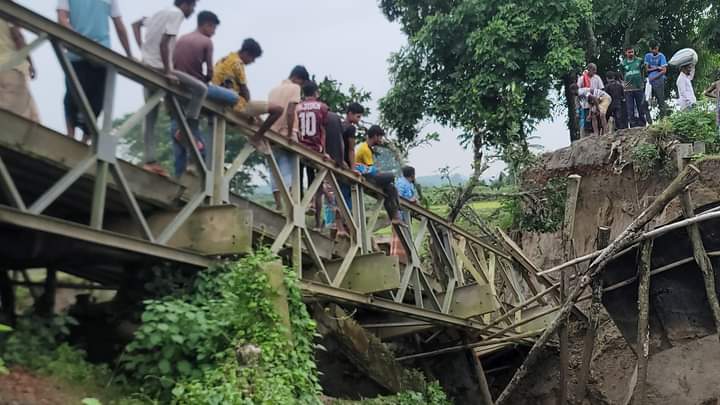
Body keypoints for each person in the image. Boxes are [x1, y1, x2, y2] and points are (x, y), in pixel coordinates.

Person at [133, 0, 204, 176]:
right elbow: (165, 43)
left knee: (151, 116)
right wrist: (168, 71)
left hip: (147, 66)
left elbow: (135, 24)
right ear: (185, 4)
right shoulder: (176, 14)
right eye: (192, 6)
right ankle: (186, 128)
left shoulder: (160, 13)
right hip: (160, 69)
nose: (193, 11)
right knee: (200, 89)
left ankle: (150, 161)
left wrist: (143, 51)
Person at [57, 0, 132, 141]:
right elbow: (119, 25)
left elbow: (62, 18)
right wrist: (129, 55)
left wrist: (78, 39)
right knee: (96, 99)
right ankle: (85, 140)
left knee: (72, 94)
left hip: (76, 51)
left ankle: (70, 135)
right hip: (100, 52)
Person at [170, 10, 221, 177]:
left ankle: (179, 176)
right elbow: (210, 71)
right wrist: (207, 80)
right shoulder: (206, 41)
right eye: (213, 28)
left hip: (177, 85)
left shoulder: (181, 38)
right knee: (232, 98)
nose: (213, 32)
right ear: (206, 25)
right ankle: (196, 167)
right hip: (195, 87)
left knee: (178, 126)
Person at [212, 38, 283, 155]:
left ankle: (258, 135)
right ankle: (257, 138)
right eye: (253, 58)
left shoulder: (223, 60)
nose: (252, 61)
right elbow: (245, 91)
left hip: (223, 103)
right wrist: (255, 114)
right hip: (236, 105)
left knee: (256, 121)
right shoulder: (237, 63)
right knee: (278, 110)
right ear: (246, 53)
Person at [267, 65, 309, 209]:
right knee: (292, 172)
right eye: (302, 83)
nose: (301, 87)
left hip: (272, 134)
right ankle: (292, 207)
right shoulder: (294, 88)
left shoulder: (273, 90)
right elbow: (290, 111)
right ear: (298, 78)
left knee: (275, 170)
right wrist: (291, 133)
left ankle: (279, 205)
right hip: (287, 133)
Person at [296, 81, 329, 229]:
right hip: (315, 150)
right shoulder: (322, 107)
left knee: (298, 182)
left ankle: (298, 218)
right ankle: (316, 222)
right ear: (316, 92)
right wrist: (324, 151)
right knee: (316, 185)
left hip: (300, 148)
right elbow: (323, 129)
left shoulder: (297, 107)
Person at [355, 125, 401, 224]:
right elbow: (370, 170)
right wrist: (382, 173)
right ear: (375, 136)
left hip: (369, 175)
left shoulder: (366, 147)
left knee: (390, 188)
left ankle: (394, 216)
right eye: (380, 137)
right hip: (366, 177)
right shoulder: (365, 149)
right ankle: (395, 214)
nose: (381, 140)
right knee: (391, 176)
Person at [0, 17, 38, 122]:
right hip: (11, 69)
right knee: (24, 118)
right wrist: (30, 62)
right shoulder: (6, 8)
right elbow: (18, 37)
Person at [339, 102, 365, 209]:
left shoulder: (339, 125)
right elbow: (351, 149)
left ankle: (343, 221)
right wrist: (353, 169)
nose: (359, 120)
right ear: (350, 114)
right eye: (357, 116)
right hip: (348, 165)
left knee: (342, 194)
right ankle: (348, 220)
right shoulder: (351, 128)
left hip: (339, 162)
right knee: (347, 195)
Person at [391, 166, 417, 263]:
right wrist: (411, 201)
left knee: (404, 238)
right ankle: (400, 261)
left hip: (405, 216)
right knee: (400, 239)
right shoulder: (401, 183)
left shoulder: (409, 184)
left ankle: (405, 260)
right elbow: (397, 199)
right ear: (412, 174)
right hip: (400, 216)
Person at [621, 47, 647, 127]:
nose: (631, 54)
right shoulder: (623, 63)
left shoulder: (639, 60)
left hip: (639, 87)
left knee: (641, 106)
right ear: (626, 53)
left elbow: (644, 71)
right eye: (629, 52)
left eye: (632, 52)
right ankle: (632, 125)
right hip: (628, 89)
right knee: (630, 108)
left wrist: (642, 81)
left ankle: (643, 123)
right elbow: (622, 74)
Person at [576, 63, 604, 136]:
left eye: (595, 70)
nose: (595, 72)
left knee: (595, 118)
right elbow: (577, 92)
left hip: (596, 101)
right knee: (586, 122)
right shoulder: (581, 79)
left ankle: (597, 133)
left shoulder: (597, 78)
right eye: (593, 70)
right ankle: (586, 136)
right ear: (589, 69)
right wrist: (577, 108)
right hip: (585, 103)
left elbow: (601, 89)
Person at [644, 43, 669, 118]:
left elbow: (664, 71)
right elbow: (647, 70)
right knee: (644, 101)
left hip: (659, 80)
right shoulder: (647, 56)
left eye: (656, 48)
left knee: (661, 100)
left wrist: (654, 77)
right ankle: (649, 121)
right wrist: (657, 68)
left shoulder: (661, 56)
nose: (655, 50)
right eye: (653, 49)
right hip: (649, 81)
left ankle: (663, 120)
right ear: (650, 49)